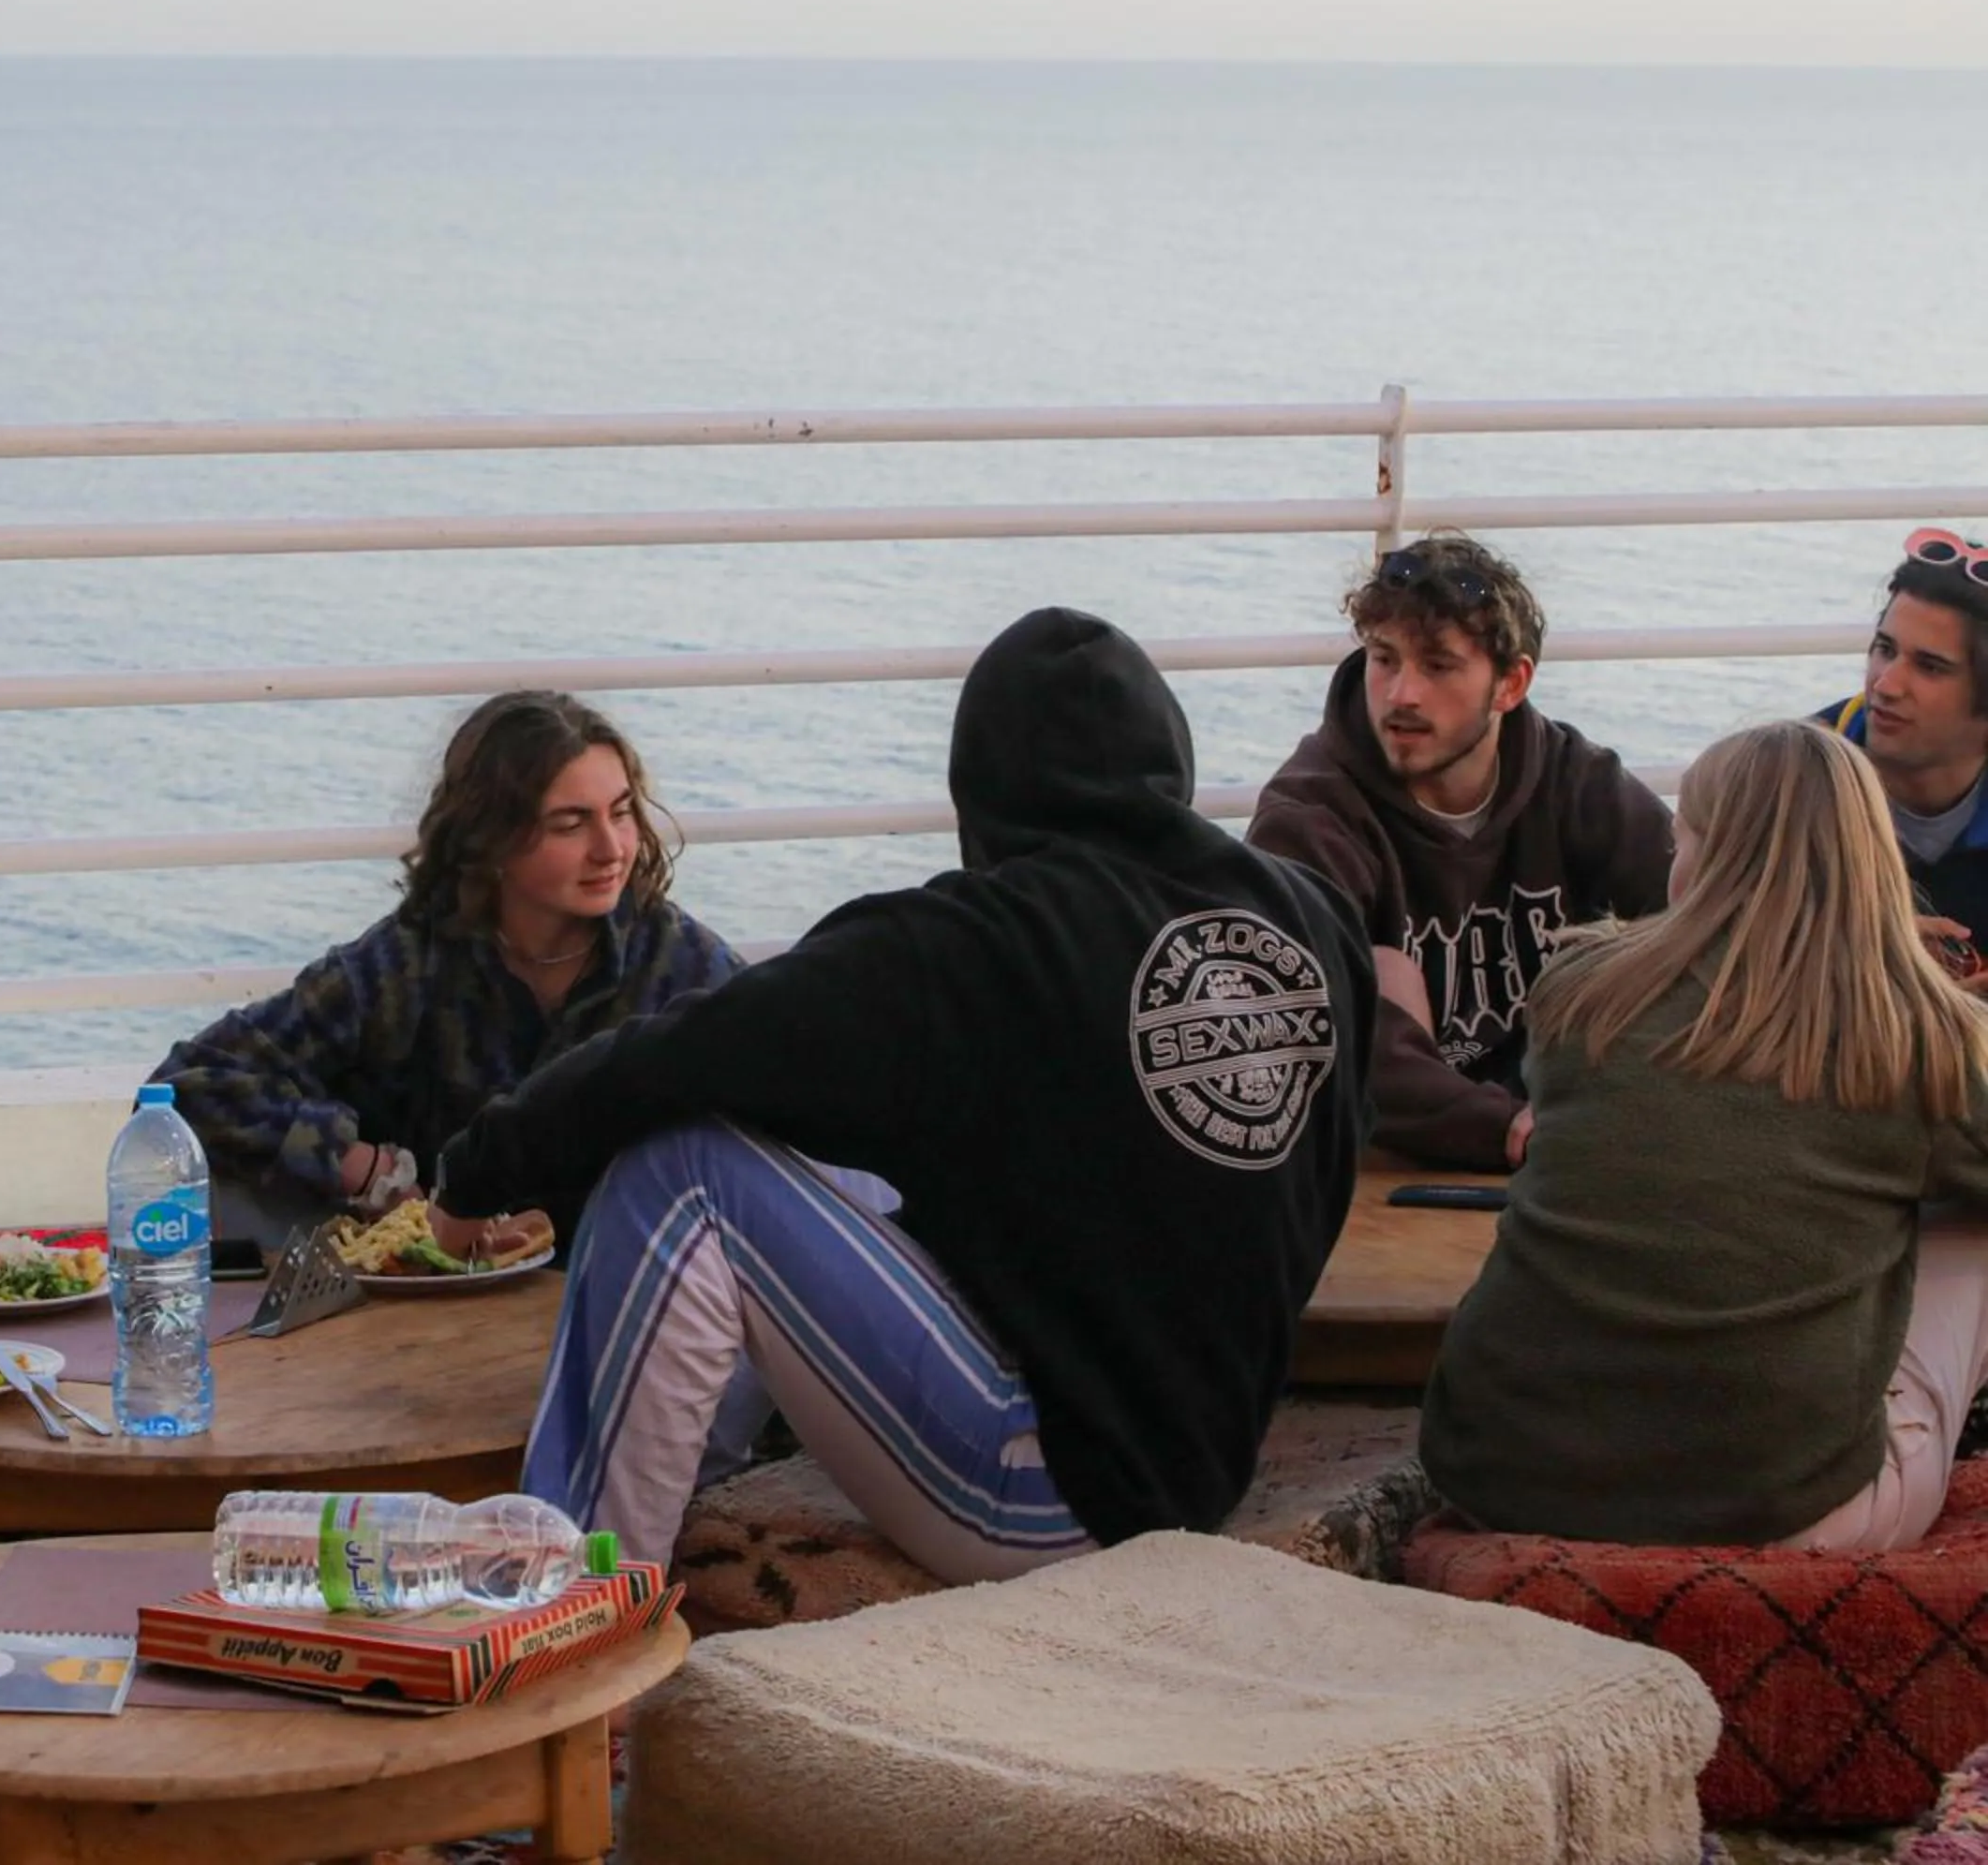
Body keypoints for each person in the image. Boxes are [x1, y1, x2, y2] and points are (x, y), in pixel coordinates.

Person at [422, 610, 1377, 1576]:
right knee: (835, 1152)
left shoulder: (970, 943)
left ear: (984, 781)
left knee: (686, 1171)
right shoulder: (1312, 915)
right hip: (1207, 1452)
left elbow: (676, 1054)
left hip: (1053, 1495)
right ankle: (691, 1481)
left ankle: (558, 1613)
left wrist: (473, 1180)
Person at [1421, 721, 1988, 1550]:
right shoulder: (1918, 1036)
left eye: (1684, 836)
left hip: (1495, 1476)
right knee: (1966, 1223)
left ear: (1708, 855)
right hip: (1783, 1518)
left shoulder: (1581, 988)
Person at [153, 689, 746, 1252]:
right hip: (431, 1307)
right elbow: (192, 1082)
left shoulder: (686, 967)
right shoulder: (407, 963)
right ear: (491, 837)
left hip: (628, 1295)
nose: (612, 848)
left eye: (620, 813)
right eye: (569, 824)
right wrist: (365, 1169)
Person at [1248, 533, 1672, 1171]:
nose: (1400, 695)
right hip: (1398, 1155)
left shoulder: (1574, 781)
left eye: (1438, 666)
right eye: (1384, 659)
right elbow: (1316, 1028)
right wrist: (1515, 1129)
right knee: (1384, 970)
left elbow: (1707, 919)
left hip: (1566, 1128)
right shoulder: (1310, 817)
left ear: (1511, 684)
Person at [1818, 527, 1988, 975]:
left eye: (1930, 667)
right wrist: (1862, 946)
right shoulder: (1788, 776)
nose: (1886, 685)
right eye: (1884, 649)